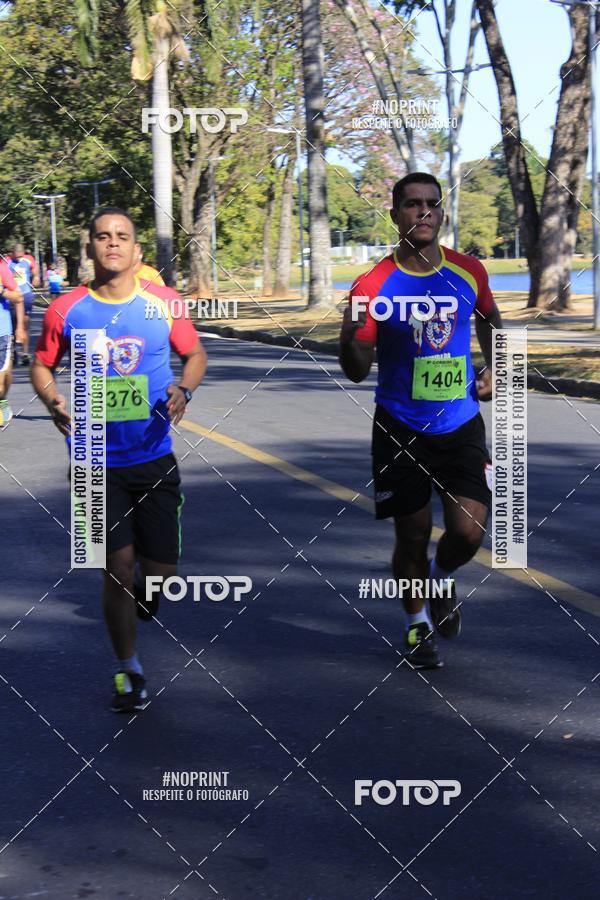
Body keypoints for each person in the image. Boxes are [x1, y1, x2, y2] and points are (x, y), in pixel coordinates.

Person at [31, 208, 207, 711]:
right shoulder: (67, 309)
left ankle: (147, 595)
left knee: (160, 572)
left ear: (136, 250)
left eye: (122, 236)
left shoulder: (163, 303)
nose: (112, 243)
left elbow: (195, 355)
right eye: (102, 236)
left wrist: (184, 389)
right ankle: (129, 670)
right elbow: (41, 364)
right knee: (116, 568)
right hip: (91, 459)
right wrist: (52, 400)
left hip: (152, 456)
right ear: (89, 246)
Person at [339, 172, 502, 669]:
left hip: (460, 422)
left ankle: (441, 578)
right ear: (395, 215)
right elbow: (356, 369)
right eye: (413, 204)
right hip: (399, 426)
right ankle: (416, 623)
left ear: (442, 213)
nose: (424, 211)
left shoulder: (469, 271)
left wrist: (495, 366)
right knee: (410, 535)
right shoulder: (372, 284)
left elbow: (491, 320)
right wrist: (351, 334)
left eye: (432, 203)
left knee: (469, 531)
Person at [0, 256, 25, 425]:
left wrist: (20, 327)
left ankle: (2, 399)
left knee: (5, 376)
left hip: (2, 332)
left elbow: (19, 297)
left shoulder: (2, 269)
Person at [7, 243, 39, 366]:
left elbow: (35, 270)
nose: (19, 259)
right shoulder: (7, 261)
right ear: (12, 253)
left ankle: (25, 353)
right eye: (16, 257)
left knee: (25, 324)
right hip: (12, 296)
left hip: (26, 295)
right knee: (13, 325)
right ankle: (14, 351)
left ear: (24, 253)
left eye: (21, 256)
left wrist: (36, 277)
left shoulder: (28, 259)